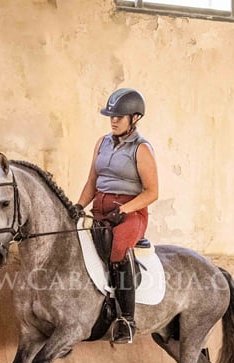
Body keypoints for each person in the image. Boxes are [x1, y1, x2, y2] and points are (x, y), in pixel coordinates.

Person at [75, 88, 159, 344]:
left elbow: (152, 192)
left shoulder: (142, 149)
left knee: (118, 245)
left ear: (134, 118)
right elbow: (92, 180)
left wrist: (123, 210)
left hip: (130, 214)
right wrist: (78, 206)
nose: (113, 120)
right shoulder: (102, 143)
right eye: (111, 116)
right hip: (100, 210)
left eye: (119, 116)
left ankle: (126, 319)